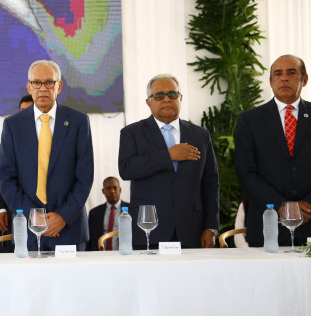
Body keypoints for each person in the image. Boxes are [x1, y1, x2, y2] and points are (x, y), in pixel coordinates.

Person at [0, 61, 94, 251]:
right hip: (28, 230)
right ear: (29, 87)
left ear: (59, 86)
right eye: (36, 83)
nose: (43, 88)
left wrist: (63, 216)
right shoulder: (12, 125)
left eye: (49, 82)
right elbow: (5, 177)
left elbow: (85, 176)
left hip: (69, 229)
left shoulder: (79, 122)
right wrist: (32, 215)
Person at [118, 73, 219, 249]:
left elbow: (211, 183)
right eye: (159, 95)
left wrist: (211, 226)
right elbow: (126, 169)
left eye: (172, 94)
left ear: (180, 98)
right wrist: (168, 155)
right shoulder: (132, 133)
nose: (166, 99)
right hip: (149, 228)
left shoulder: (200, 135)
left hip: (192, 230)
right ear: (149, 102)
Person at [235, 54, 311, 246]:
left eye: (291, 73)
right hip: (267, 225)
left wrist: (307, 206)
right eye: (278, 74)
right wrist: (281, 206)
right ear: (270, 81)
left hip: (309, 219)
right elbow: (246, 172)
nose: (284, 78)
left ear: (304, 79)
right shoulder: (249, 120)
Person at [0, 94, 33, 251]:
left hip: (41, 212)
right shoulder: (11, 132)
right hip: (14, 208)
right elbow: (2, 174)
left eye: (30, 110)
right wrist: (2, 209)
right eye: (23, 111)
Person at [87, 176, 129, 251]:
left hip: (125, 254)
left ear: (120, 190)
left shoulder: (131, 210)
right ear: (103, 191)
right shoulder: (94, 213)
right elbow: (89, 239)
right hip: (99, 255)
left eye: (115, 188)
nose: (112, 191)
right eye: (108, 188)